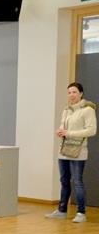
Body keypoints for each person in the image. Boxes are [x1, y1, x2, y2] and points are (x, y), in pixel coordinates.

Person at [46, 81, 97, 223]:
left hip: (78, 151)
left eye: (74, 92)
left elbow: (91, 130)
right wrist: (60, 131)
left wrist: (69, 133)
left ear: (81, 94)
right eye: (69, 92)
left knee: (77, 181)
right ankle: (62, 210)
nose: (71, 95)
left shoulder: (88, 110)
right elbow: (63, 126)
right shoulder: (66, 110)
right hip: (63, 150)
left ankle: (81, 213)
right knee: (64, 181)